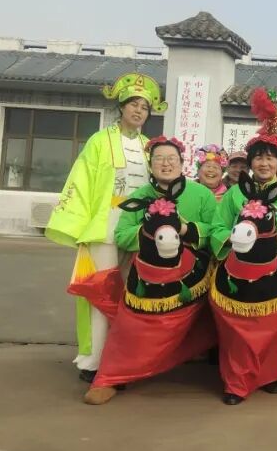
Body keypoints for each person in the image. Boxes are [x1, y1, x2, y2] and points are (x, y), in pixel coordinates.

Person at [46, 72, 163, 382]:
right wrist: (79, 225)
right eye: (133, 104)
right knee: (102, 294)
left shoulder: (149, 146)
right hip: (104, 226)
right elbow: (81, 181)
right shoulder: (99, 141)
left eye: (145, 107)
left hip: (137, 228)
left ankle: (121, 360)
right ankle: (94, 361)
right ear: (121, 107)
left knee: (130, 294)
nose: (139, 111)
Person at [83, 137, 217, 404]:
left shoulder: (201, 194)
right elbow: (122, 235)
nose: (166, 164)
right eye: (159, 159)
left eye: (171, 159)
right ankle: (112, 376)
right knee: (129, 327)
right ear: (150, 164)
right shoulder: (140, 196)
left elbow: (214, 230)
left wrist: (183, 229)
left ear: (182, 163)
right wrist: (150, 231)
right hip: (148, 274)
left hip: (190, 273)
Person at [209, 98, 277, 404]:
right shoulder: (235, 193)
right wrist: (231, 238)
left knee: (276, 328)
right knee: (235, 331)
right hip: (239, 270)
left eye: (270, 159)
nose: (264, 164)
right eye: (259, 158)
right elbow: (217, 228)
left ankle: (271, 375)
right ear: (251, 162)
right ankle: (236, 382)